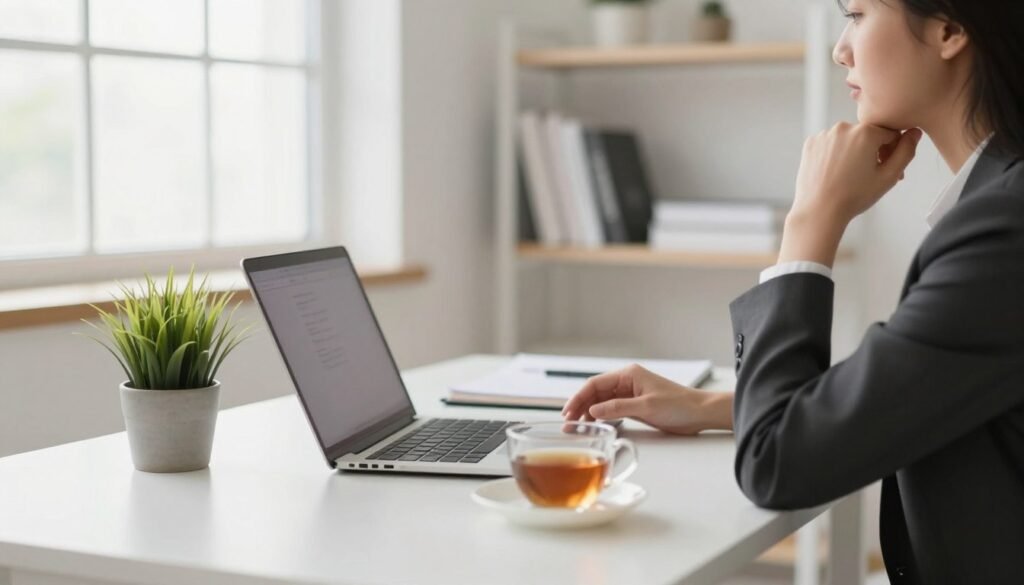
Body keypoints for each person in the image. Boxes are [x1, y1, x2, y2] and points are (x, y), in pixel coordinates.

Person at [561, 1, 1024, 582]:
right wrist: (719, 407)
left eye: (856, 14)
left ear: (951, 29)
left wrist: (811, 222)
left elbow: (777, 465)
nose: (840, 49)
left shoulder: (1005, 230)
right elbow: (922, 394)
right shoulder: (997, 208)